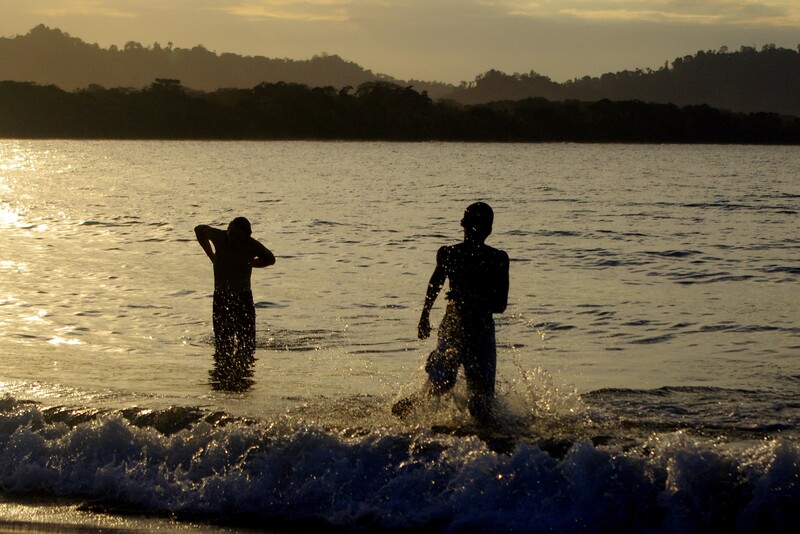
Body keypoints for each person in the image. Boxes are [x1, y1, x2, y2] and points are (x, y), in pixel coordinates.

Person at [393, 202, 509, 424]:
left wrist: (427, 315)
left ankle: (481, 446)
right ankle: (410, 408)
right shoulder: (456, 255)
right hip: (462, 328)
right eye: (476, 226)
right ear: (488, 229)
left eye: (478, 226)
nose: (476, 231)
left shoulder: (489, 258)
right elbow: (435, 285)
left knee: (477, 403)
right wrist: (424, 317)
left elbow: (500, 304)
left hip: (472, 329)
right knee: (447, 386)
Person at [195, 217, 275, 386]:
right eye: (231, 234)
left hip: (243, 298)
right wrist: (211, 255)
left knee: (247, 344)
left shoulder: (252, 245)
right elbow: (199, 230)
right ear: (228, 229)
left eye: (238, 237)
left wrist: (251, 263)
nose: (233, 239)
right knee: (223, 344)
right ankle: (222, 378)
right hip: (221, 297)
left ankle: (244, 378)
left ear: (248, 235)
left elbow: (270, 259)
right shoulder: (219, 236)